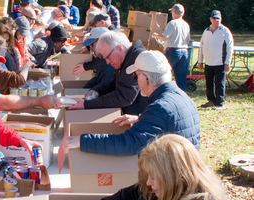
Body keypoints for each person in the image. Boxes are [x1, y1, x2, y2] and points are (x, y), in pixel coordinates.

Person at [62, 50, 200, 157]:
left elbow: (129, 143)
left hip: (175, 184)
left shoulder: (159, 108)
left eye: (136, 76)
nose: (135, 80)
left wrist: (82, 140)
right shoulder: (183, 97)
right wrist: (141, 118)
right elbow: (170, 122)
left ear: (145, 79)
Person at [102, 134, 227, 200]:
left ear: (172, 176)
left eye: (154, 177)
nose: (148, 182)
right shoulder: (159, 190)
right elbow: (127, 195)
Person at [68, 31, 147, 116]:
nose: (107, 62)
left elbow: (124, 97)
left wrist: (86, 105)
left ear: (120, 48)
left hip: (142, 118)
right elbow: (114, 84)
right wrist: (96, 91)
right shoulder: (126, 59)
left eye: (108, 57)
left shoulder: (135, 60)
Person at [198, 10, 233, 109]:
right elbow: (202, 46)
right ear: (210, 19)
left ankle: (220, 102)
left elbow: (230, 47)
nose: (216, 20)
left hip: (220, 63)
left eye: (218, 18)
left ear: (221, 19)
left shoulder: (225, 31)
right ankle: (211, 100)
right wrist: (200, 61)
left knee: (219, 83)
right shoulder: (206, 31)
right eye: (214, 18)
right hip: (208, 62)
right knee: (209, 83)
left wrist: (227, 62)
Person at [152, 4, 190, 91]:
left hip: (173, 51)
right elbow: (188, 41)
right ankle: (181, 94)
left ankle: (162, 91)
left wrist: (156, 35)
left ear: (174, 12)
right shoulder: (186, 25)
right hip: (184, 51)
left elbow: (164, 37)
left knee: (163, 72)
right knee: (181, 77)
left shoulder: (172, 23)